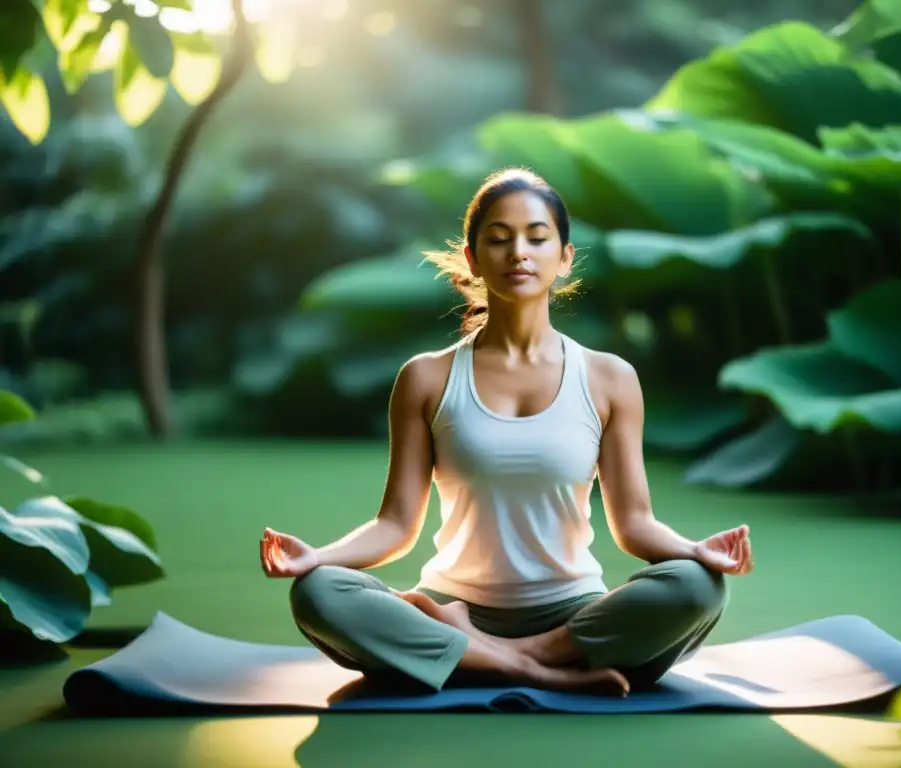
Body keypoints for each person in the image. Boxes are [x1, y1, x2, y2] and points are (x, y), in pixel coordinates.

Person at [260, 167, 754, 698]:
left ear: (564, 258)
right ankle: (532, 670)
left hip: (571, 614)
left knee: (696, 587)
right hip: (453, 604)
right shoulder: (426, 377)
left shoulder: (610, 379)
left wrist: (696, 550)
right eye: (498, 239)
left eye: (537, 238)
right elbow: (396, 524)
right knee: (320, 594)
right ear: (473, 258)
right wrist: (318, 559)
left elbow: (634, 524)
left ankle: (495, 657)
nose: (519, 252)